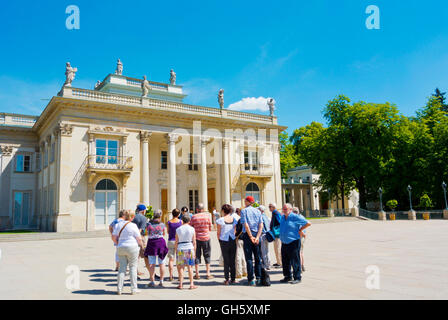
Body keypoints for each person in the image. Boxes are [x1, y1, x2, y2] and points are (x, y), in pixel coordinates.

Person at [112, 210, 145, 295]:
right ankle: (134, 289)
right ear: (131, 217)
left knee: (121, 269)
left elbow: (113, 237)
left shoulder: (117, 225)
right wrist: (141, 246)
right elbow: (139, 238)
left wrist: (117, 243)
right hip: (132, 247)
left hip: (121, 247)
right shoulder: (133, 225)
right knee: (133, 268)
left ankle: (119, 289)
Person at [279, 203, 311, 284]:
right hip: (284, 242)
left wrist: (300, 230)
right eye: (283, 209)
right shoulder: (282, 217)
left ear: (290, 210)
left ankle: (297, 277)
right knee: (285, 260)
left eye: (286, 209)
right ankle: (287, 276)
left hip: (293, 241)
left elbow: (308, 223)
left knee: (295, 260)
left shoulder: (294, 216)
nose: (284, 210)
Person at [240, 196, 264, 286]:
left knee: (249, 258)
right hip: (257, 234)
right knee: (258, 257)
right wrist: (257, 237)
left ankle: (251, 279)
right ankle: (259, 277)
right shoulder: (258, 211)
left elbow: (246, 225)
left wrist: (250, 237)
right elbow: (261, 225)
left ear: (247, 202)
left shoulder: (244, 211)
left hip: (248, 235)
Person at [143, 211, 169, 288]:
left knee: (151, 263)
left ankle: (152, 281)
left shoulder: (149, 224)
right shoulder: (162, 224)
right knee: (162, 263)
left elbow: (146, 232)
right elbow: (164, 234)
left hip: (151, 243)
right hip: (160, 242)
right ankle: (161, 281)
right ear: (160, 216)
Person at [190, 203, 214, 279]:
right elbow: (210, 228)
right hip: (206, 238)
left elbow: (191, 227)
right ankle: (208, 273)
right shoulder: (207, 217)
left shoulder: (194, 217)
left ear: (197, 209)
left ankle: (197, 274)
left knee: (197, 255)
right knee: (207, 255)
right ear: (203, 209)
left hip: (196, 238)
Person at [216, 204, 238, 285]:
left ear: (223, 211)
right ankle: (233, 278)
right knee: (233, 260)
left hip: (224, 241)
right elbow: (235, 231)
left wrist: (219, 241)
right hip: (232, 240)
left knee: (226, 260)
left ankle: (227, 279)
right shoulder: (234, 219)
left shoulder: (220, 220)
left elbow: (218, 233)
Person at [175, 214, 198, 290]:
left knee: (181, 267)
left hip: (181, 247)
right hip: (189, 247)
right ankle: (191, 284)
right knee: (190, 267)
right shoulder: (192, 229)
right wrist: (194, 251)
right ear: (189, 220)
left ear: (182, 220)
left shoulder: (178, 229)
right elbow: (194, 241)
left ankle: (181, 284)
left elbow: (176, 241)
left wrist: (176, 250)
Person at [167, 208, 183, 281]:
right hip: (179, 241)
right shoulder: (180, 222)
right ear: (179, 214)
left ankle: (170, 276)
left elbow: (168, 231)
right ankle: (180, 276)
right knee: (179, 259)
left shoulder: (169, 222)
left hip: (171, 240)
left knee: (171, 259)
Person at [133, 204, 148, 277]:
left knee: (135, 256)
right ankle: (152, 273)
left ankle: (135, 271)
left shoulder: (133, 217)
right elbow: (140, 230)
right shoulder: (143, 218)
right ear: (143, 211)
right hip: (140, 237)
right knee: (145, 255)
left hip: (131, 237)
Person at [233, 208, 247, 279]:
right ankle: (245, 271)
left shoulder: (240, 220)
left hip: (240, 239)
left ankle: (239, 272)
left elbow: (238, 230)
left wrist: (235, 236)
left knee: (238, 256)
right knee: (243, 256)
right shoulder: (247, 219)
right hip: (246, 239)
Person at [293, 207, 307, 272]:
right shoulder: (301, 217)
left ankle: (300, 267)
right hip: (301, 236)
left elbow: (306, 224)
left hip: (299, 237)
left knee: (298, 252)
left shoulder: (298, 218)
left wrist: (300, 231)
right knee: (300, 252)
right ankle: (302, 266)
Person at [269, 203, 282, 268]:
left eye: (270, 206)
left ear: (274, 207)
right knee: (276, 248)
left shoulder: (276, 213)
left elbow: (280, 222)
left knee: (278, 248)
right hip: (275, 234)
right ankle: (278, 261)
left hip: (277, 234)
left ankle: (280, 263)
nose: (269, 208)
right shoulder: (274, 213)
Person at [258, 205, 271, 270]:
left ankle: (265, 264)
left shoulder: (261, 217)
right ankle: (268, 263)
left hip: (263, 234)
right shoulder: (266, 216)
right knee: (267, 250)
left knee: (263, 251)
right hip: (267, 234)